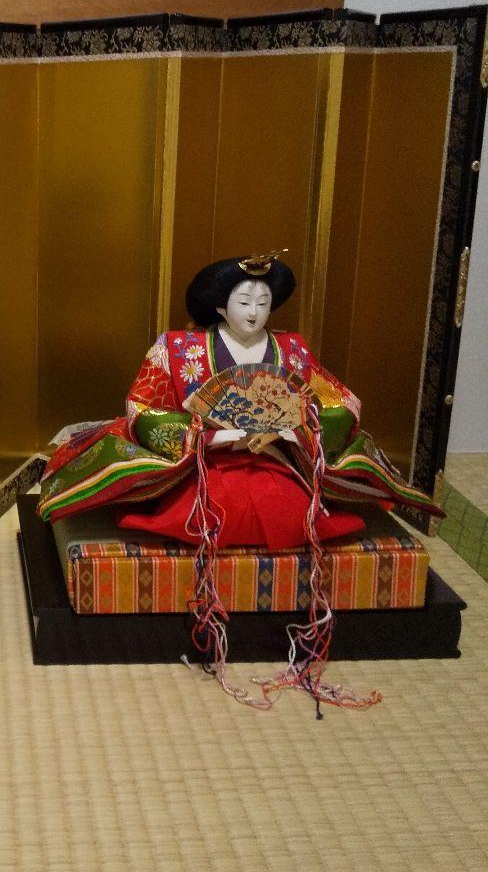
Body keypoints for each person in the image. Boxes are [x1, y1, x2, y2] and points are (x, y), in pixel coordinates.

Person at [38, 252, 440, 712]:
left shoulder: (293, 351)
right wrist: (216, 435)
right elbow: (142, 408)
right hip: (206, 463)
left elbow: (341, 403)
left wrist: (290, 430)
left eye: (263, 303)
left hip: (275, 459)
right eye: (244, 301)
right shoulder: (178, 350)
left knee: (285, 509)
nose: (254, 312)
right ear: (219, 306)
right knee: (213, 509)